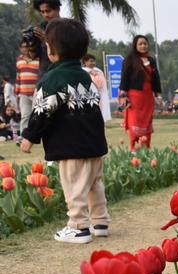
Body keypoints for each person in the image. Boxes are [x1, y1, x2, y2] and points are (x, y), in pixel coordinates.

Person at [20, 18, 109, 244]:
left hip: (71, 145)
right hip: (94, 143)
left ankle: (78, 227)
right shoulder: (85, 76)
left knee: (75, 185)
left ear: (51, 49)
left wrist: (29, 137)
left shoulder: (53, 79)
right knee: (94, 183)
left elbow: (41, 111)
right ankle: (100, 222)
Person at [119, 35, 162, 152]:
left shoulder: (151, 61)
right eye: (140, 44)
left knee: (147, 123)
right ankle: (134, 149)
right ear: (135, 45)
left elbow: (156, 80)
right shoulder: (129, 60)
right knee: (135, 123)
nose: (143, 46)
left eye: (145, 44)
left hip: (148, 97)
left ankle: (145, 149)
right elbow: (124, 78)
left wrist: (159, 96)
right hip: (134, 97)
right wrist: (123, 95)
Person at [31, 0, 60, 81]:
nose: (45, 15)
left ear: (58, 9)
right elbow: (33, 56)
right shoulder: (40, 27)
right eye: (42, 12)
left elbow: (67, 53)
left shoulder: (67, 27)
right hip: (44, 76)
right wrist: (31, 42)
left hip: (62, 74)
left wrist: (47, 40)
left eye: (48, 11)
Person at [15, 42, 38, 135]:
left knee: (37, 115)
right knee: (25, 115)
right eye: (25, 47)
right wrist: (17, 92)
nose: (27, 49)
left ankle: (36, 134)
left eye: (29, 46)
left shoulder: (38, 58)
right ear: (20, 48)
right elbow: (18, 76)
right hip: (24, 92)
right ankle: (24, 135)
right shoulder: (19, 60)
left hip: (36, 91)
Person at [83, 54, 111, 122]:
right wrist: (89, 71)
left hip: (97, 96)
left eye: (94, 61)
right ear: (85, 61)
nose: (93, 63)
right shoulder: (82, 71)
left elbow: (100, 85)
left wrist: (96, 76)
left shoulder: (98, 71)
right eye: (91, 61)